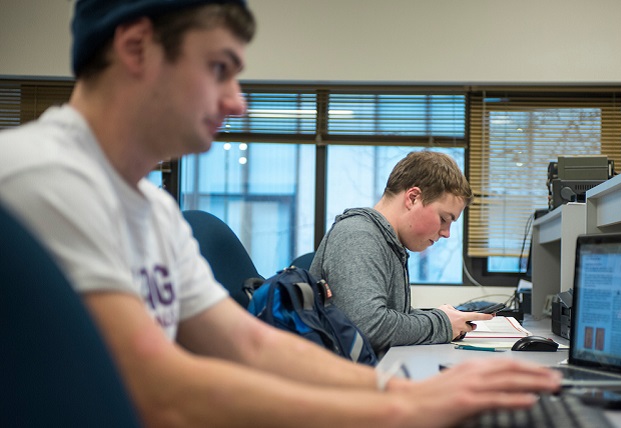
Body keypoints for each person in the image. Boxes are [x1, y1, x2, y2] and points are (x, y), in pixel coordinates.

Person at [0, 1, 560, 426]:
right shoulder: (42, 180)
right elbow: (155, 386)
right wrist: (400, 410)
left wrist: (404, 393)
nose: (238, 100)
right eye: (219, 69)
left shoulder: (151, 209)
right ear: (137, 47)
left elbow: (248, 343)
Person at [310, 151, 493, 355]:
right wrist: (441, 323)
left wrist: (445, 319)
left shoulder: (387, 241)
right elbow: (368, 327)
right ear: (413, 198)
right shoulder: (358, 236)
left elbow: (392, 315)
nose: (446, 233)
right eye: (444, 218)